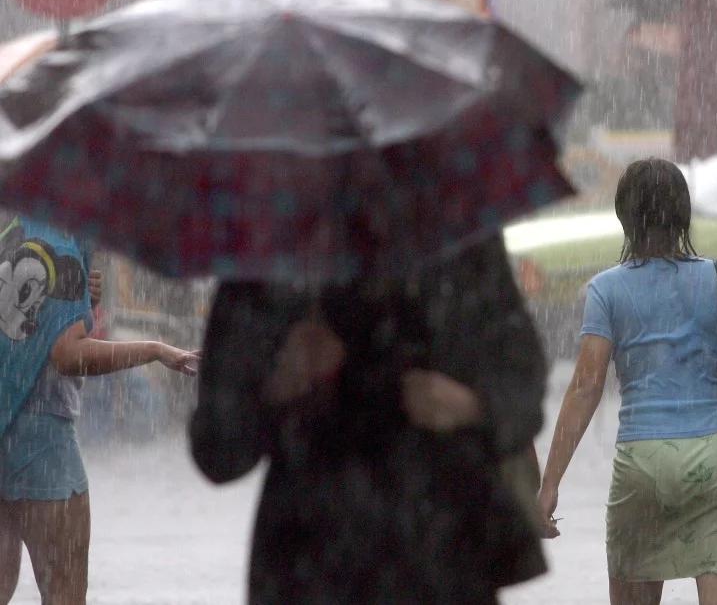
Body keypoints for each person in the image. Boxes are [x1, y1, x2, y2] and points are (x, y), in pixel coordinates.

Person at [189, 233, 548, 604]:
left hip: (441, 551)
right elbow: (217, 452)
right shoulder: (267, 257)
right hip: (310, 561)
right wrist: (274, 384)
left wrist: (469, 404)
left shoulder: (454, 238)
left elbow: (522, 382)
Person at [537, 157, 717, 605]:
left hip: (644, 462)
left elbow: (585, 386)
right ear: (683, 214)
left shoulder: (606, 290)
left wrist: (549, 483)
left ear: (625, 216)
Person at [0, 216, 200, 605]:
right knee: (65, 595)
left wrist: (82, 304)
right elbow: (67, 355)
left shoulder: (14, 234)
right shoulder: (65, 255)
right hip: (43, 451)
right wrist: (156, 350)